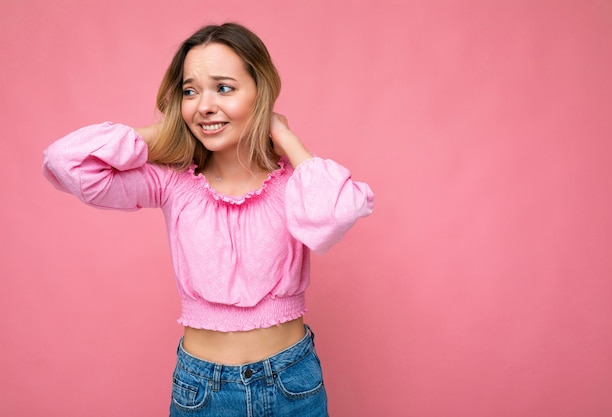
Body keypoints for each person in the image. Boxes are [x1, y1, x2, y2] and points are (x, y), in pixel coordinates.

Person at [42, 22, 374, 416]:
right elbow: (66, 162)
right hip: (202, 390)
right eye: (190, 91)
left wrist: (285, 138)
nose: (204, 105)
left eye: (224, 87)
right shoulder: (170, 182)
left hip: (292, 384)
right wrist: (168, 129)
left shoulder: (293, 183)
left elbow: (336, 212)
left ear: (260, 92)